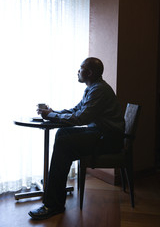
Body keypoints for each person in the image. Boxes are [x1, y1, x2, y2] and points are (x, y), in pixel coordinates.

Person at [28, 57, 125, 220]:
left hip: (108, 140)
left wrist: (51, 115)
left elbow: (81, 119)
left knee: (64, 143)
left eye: (80, 69)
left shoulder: (98, 90)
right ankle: (55, 197)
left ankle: (53, 204)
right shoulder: (93, 88)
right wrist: (54, 113)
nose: (78, 72)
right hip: (101, 134)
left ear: (89, 72)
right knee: (62, 134)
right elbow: (77, 110)